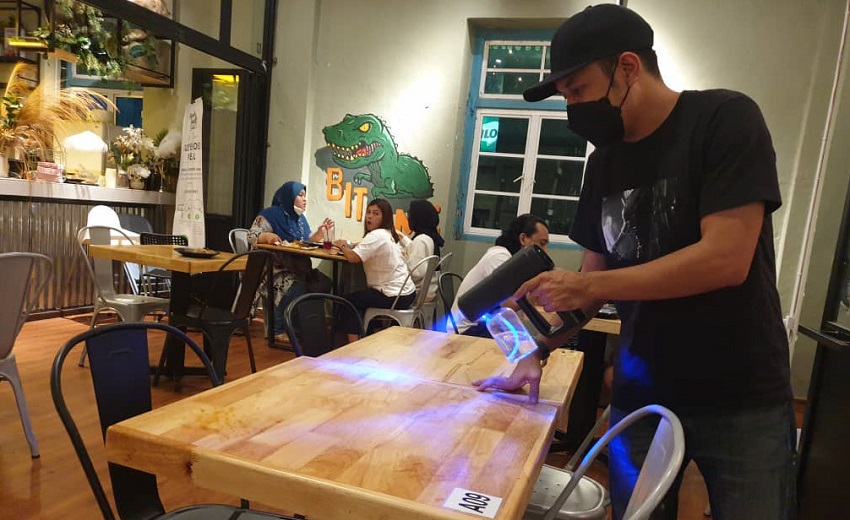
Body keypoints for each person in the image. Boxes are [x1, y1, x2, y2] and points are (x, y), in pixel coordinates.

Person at [473, 5, 795, 520]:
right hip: (642, 393)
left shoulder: (724, 119)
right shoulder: (604, 163)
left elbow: (726, 259)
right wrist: (533, 348)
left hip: (742, 397)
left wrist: (587, 287)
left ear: (627, 68)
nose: (572, 107)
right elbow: (591, 284)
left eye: (577, 89)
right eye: (565, 96)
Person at [248, 181, 333, 342]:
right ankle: (277, 329)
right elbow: (252, 235)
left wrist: (319, 234)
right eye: (300, 195)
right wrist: (267, 237)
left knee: (322, 283)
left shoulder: (300, 219)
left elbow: (304, 241)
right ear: (289, 196)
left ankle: (300, 327)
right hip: (271, 268)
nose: (305, 199)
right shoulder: (269, 215)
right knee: (296, 286)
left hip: (296, 267)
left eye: (305, 196)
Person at [451, 214, 549, 337]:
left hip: (483, 325)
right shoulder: (500, 256)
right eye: (542, 243)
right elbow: (506, 307)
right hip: (468, 329)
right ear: (523, 239)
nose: (545, 251)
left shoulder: (510, 260)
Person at [335, 198, 416, 342]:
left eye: (376, 213)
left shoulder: (376, 235)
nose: (370, 216)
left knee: (348, 302)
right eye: (368, 212)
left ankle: (353, 345)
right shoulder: (389, 233)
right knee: (365, 297)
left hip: (392, 294)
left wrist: (342, 246)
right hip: (407, 292)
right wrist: (351, 245)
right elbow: (366, 245)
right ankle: (375, 332)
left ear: (385, 217)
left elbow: (353, 258)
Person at [399, 199, 445, 302]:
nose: (407, 217)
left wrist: (400, 260)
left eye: (410, 214)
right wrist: (403, 238)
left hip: (418, 294)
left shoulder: (421, 240)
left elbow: (416, 273)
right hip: (430, 291)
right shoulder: (430, 236)